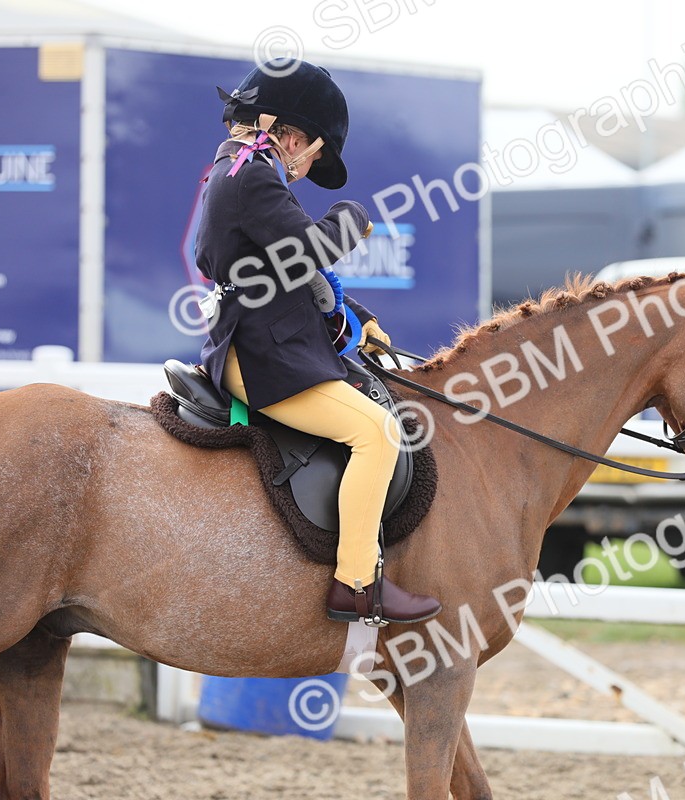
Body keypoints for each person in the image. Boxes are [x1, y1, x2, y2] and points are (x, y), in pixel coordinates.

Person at [194, 59, 441, 626]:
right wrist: (351, 218)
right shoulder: (253, 174)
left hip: (274, 339)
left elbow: (284, 272)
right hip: (263, 355)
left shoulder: (240, 171)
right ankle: (356, 584)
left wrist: (357, 316)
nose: (308, 169)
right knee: (378, 433)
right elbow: (309, 252)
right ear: (292, 135)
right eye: (314, 155)